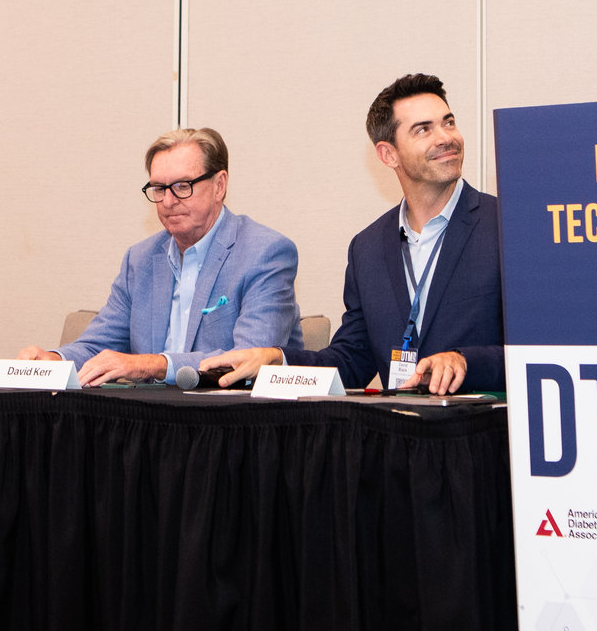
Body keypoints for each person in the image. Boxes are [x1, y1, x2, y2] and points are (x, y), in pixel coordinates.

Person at [201, 75, 505, 396]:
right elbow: (351, 361)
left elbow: (538, 346)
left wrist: (465, 361)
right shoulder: (368, 248)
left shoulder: (505, 226)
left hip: (484, 422)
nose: (446, 138)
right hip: (398, 423)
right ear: (388, 154)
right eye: (423, 129)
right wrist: (278, 360)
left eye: (449, 123)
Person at [17, 127, 303, 386]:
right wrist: (54, 360)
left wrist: (151, 365)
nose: (167, 201)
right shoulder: (140, 259)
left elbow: (249, 359)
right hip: (152, 418)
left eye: (182, 187)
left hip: (230, 419)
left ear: (219, 185)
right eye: (159, 188)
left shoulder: (265, 252)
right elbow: (99, 346)